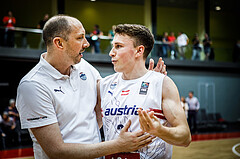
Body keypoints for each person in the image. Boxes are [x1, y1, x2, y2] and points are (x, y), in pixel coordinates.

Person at [16, 15, 166, 159]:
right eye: (80, 38)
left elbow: (107, 100)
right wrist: (118, 145)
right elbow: (57, 151)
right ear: (59, 43)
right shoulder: (32, 86)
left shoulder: (84, 67)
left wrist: (144, 79)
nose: (86, 43)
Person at [98, 24, 191, 159]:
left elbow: (185, 137)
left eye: (118, 46)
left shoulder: (162, 84)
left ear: (139, 51)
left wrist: (160, 130)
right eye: (113, 46)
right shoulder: (103, 85)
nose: (111, 52)